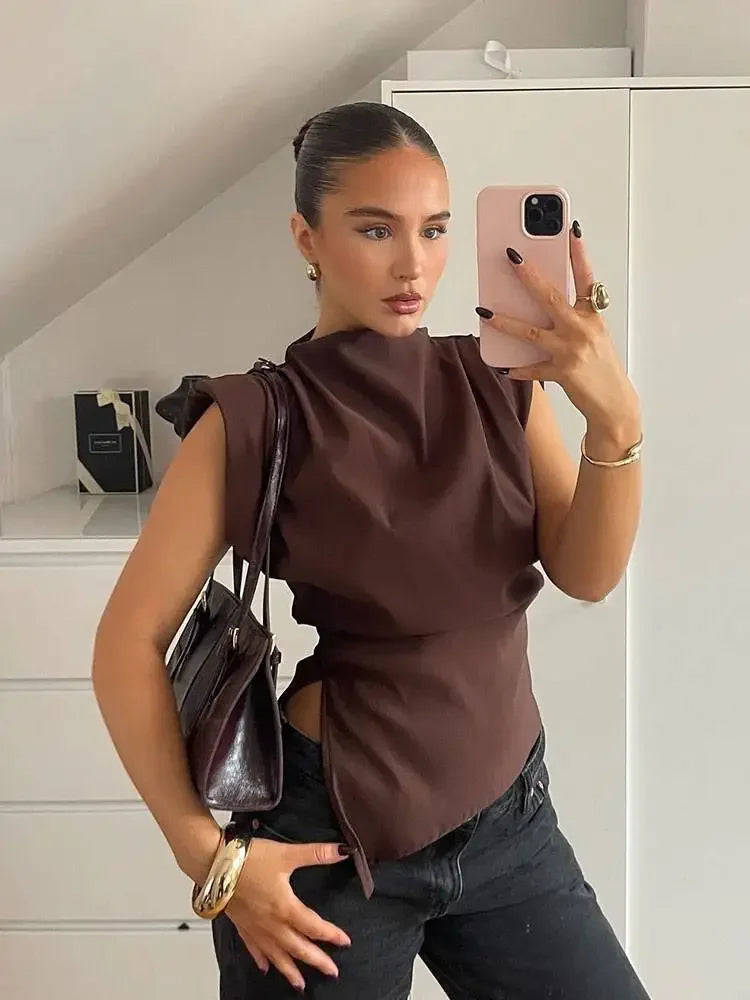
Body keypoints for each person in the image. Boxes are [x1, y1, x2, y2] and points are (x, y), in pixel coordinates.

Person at [92, 101, 648, 998]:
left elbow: (587, 573)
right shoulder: (254, 416)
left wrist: (615, 422)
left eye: (434, 229)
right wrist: (212, 860)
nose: (413, 264)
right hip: (330, 848)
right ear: (306, 238)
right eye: (376, 229)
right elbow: (126, 644)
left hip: (510, 826)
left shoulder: (501, 382)